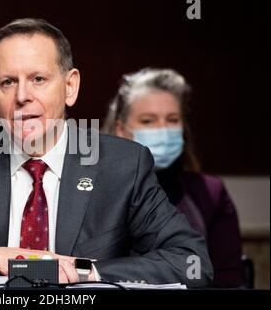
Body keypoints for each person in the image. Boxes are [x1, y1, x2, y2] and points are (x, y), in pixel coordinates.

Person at [0, 19, 213, 287]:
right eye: (8, 82)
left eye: (38, 79)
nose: (22, 96)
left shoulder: (123, 166)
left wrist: (82, 272)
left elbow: (191, 262)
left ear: (70, 87)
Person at [101, 68, 244, 287]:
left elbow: (227, 278)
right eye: (148, 121)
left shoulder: (210, 192)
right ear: (122, 130)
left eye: (172, 119)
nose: (163, 129)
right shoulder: (96, 190)